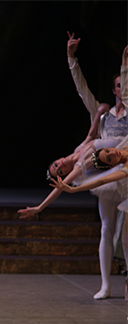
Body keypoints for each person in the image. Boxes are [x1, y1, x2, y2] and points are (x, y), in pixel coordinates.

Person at [18, 41, 128, 299]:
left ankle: (126, 281)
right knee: (106, 228)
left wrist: (125, 67)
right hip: (104, 172)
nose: (123, 89)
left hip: (124, 167)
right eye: (120, 85)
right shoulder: (102, 117)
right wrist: (71, 59)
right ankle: (105, 284)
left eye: (125, 84)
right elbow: (83, 91)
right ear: (113, 90)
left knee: (125, 233)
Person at [52, 147, 128, 300]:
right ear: (113, 165)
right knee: (125, 237)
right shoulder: (124, 168)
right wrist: (74, 190)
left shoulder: (123, 145)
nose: (112, 153)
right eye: (109, 158)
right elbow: (102, 180)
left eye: (108, 151)